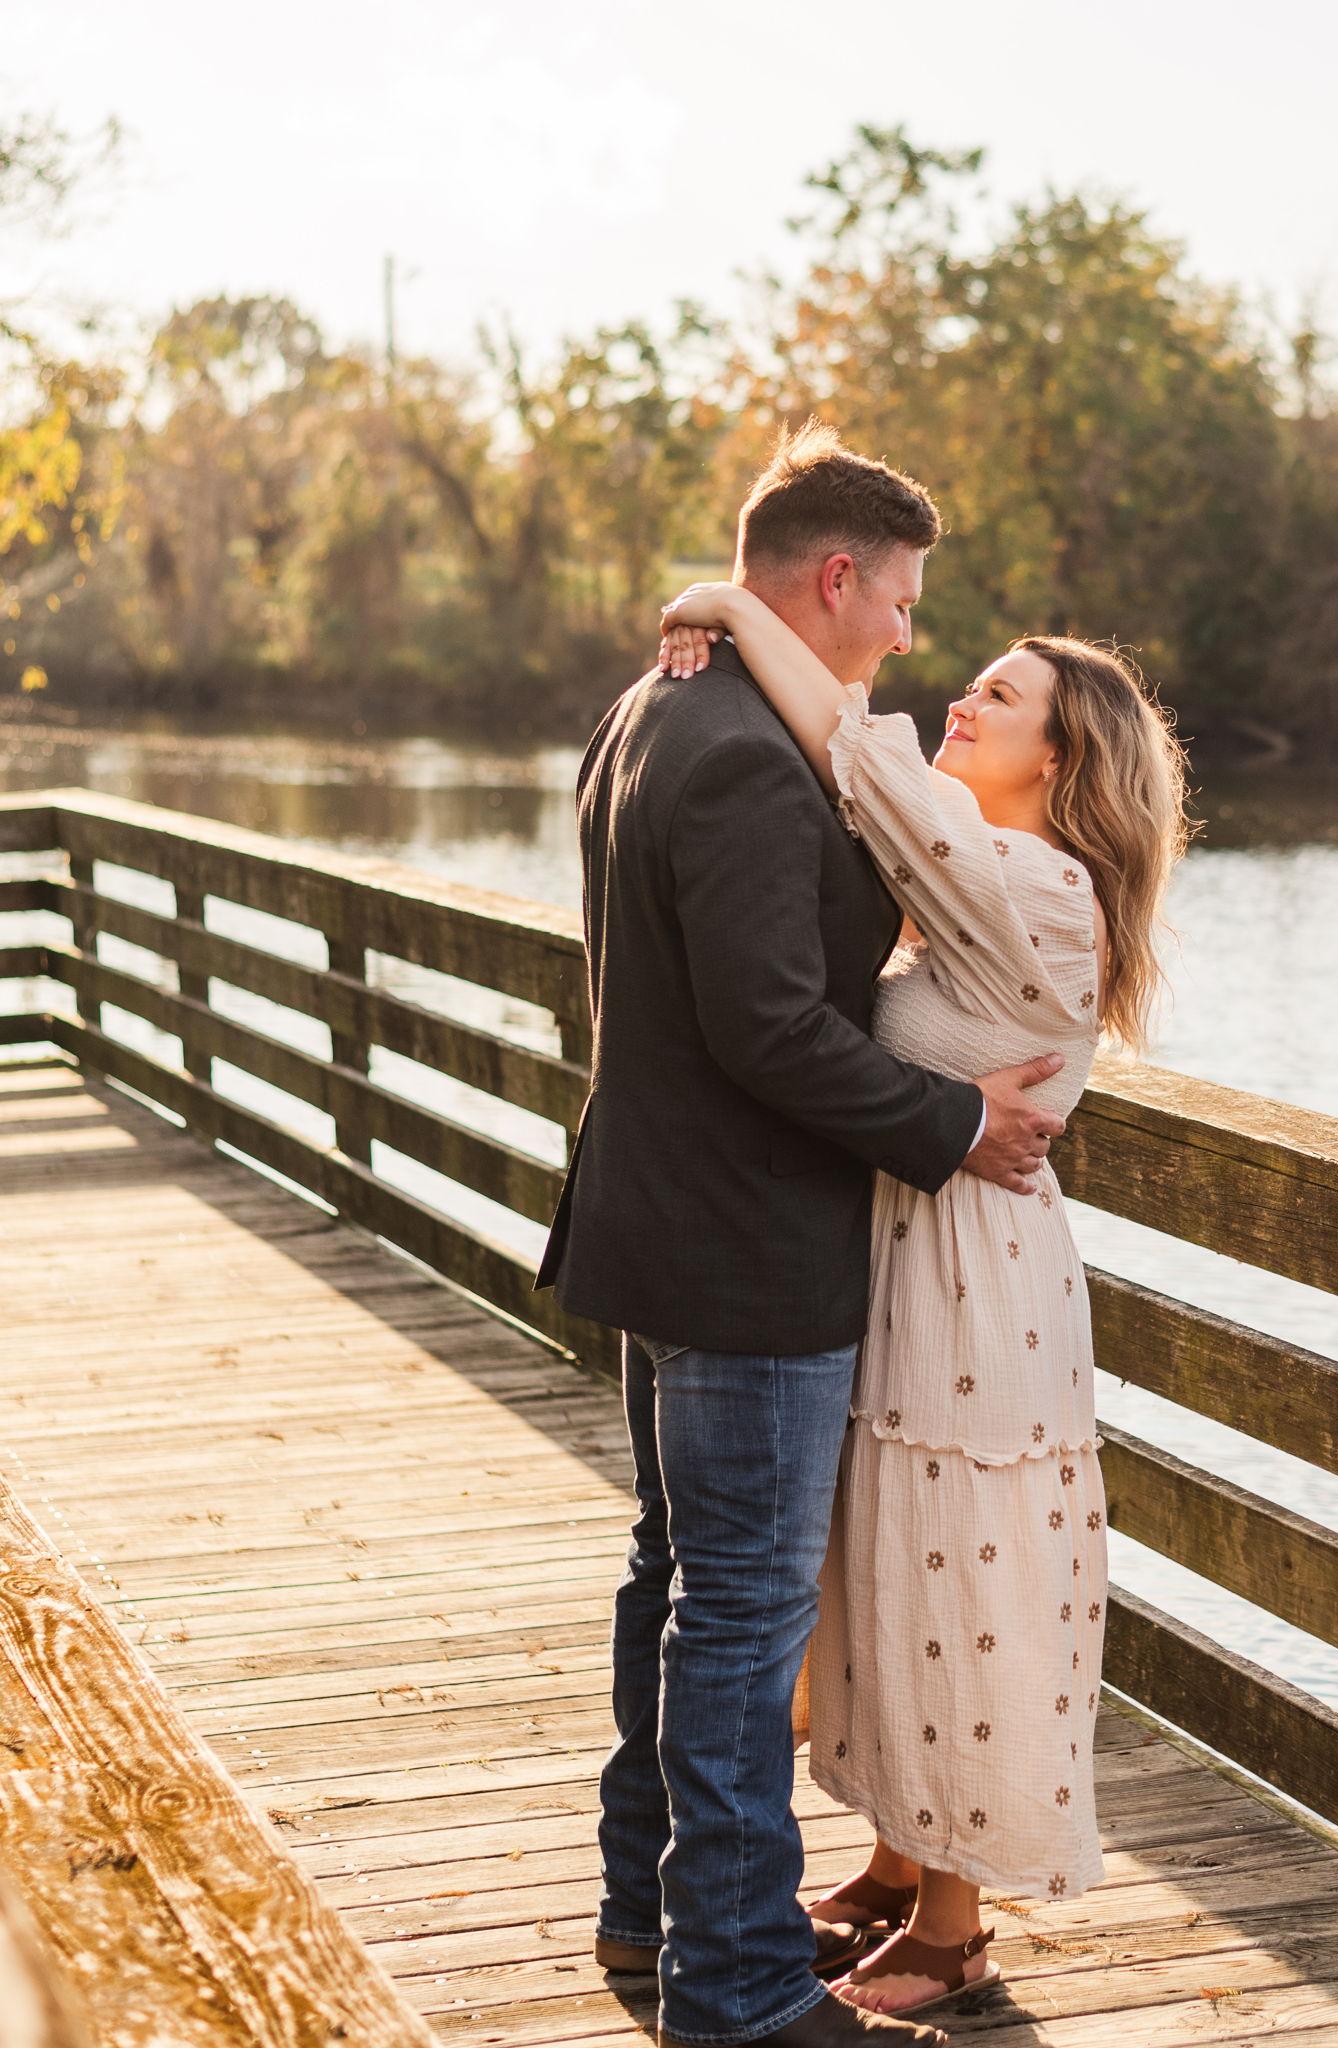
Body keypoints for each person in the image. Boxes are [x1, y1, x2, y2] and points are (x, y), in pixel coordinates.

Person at [536, 424, 1069, 2048]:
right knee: (742, 1618)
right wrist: (960, 1125)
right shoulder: (756, 761)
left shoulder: (659, 708)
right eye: (903, 601)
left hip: (655, 1222)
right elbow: (775, 1028)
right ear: (835, 580)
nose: (911, 637)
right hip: (750, 1253)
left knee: (677, 1588)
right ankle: (745, 1993)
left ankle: (650, 1919)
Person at [654, 570, 1190, 2021]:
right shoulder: (968, 888)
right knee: (897, 1569)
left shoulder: (1040, 887)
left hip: (978, 1287)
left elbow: (857, 762)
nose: (964, 696)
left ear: (1061, 763)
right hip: (916, 1257)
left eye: (1000, 699)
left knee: (962, 1572)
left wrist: (725, 599)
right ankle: (899, 1868)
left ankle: (954, 1931)